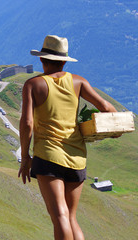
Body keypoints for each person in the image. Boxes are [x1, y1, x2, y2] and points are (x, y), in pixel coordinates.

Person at [18, 35, 118, 240]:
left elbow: (27, 123)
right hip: (77, 157)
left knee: (59, 216)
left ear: (41, 59)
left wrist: (26, 157)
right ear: (64, 61)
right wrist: (115, 127)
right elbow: (107, 108)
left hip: (47, 157)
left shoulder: (33, 85)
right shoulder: (78, 82)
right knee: (71, 217)